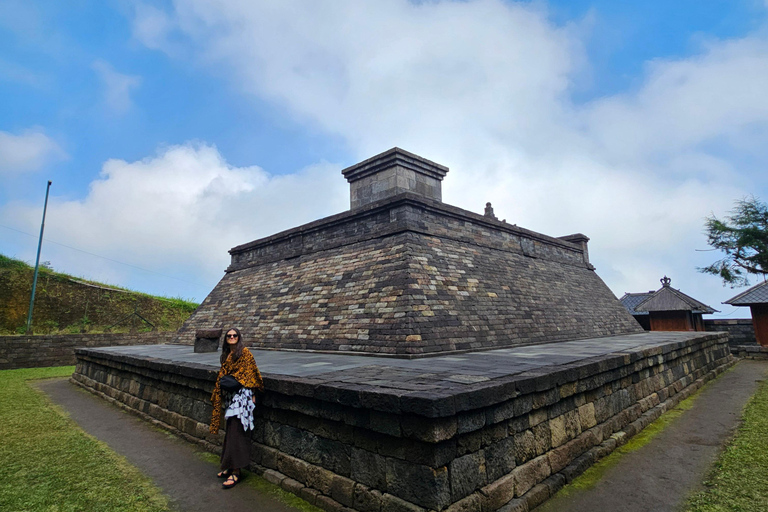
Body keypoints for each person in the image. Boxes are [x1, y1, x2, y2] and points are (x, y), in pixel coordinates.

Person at [210, 327, 264, 489]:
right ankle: (229, 465)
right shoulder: (227, 356)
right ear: (226, 339)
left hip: (242, 399)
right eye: (229, 336)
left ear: (239, 337)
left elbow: (251, 374)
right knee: (231, 431)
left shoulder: (245, 353)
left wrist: (253, 394)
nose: (232, 337)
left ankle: (236, 471)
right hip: (231, 398)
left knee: (237, 433)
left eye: (234, 335)